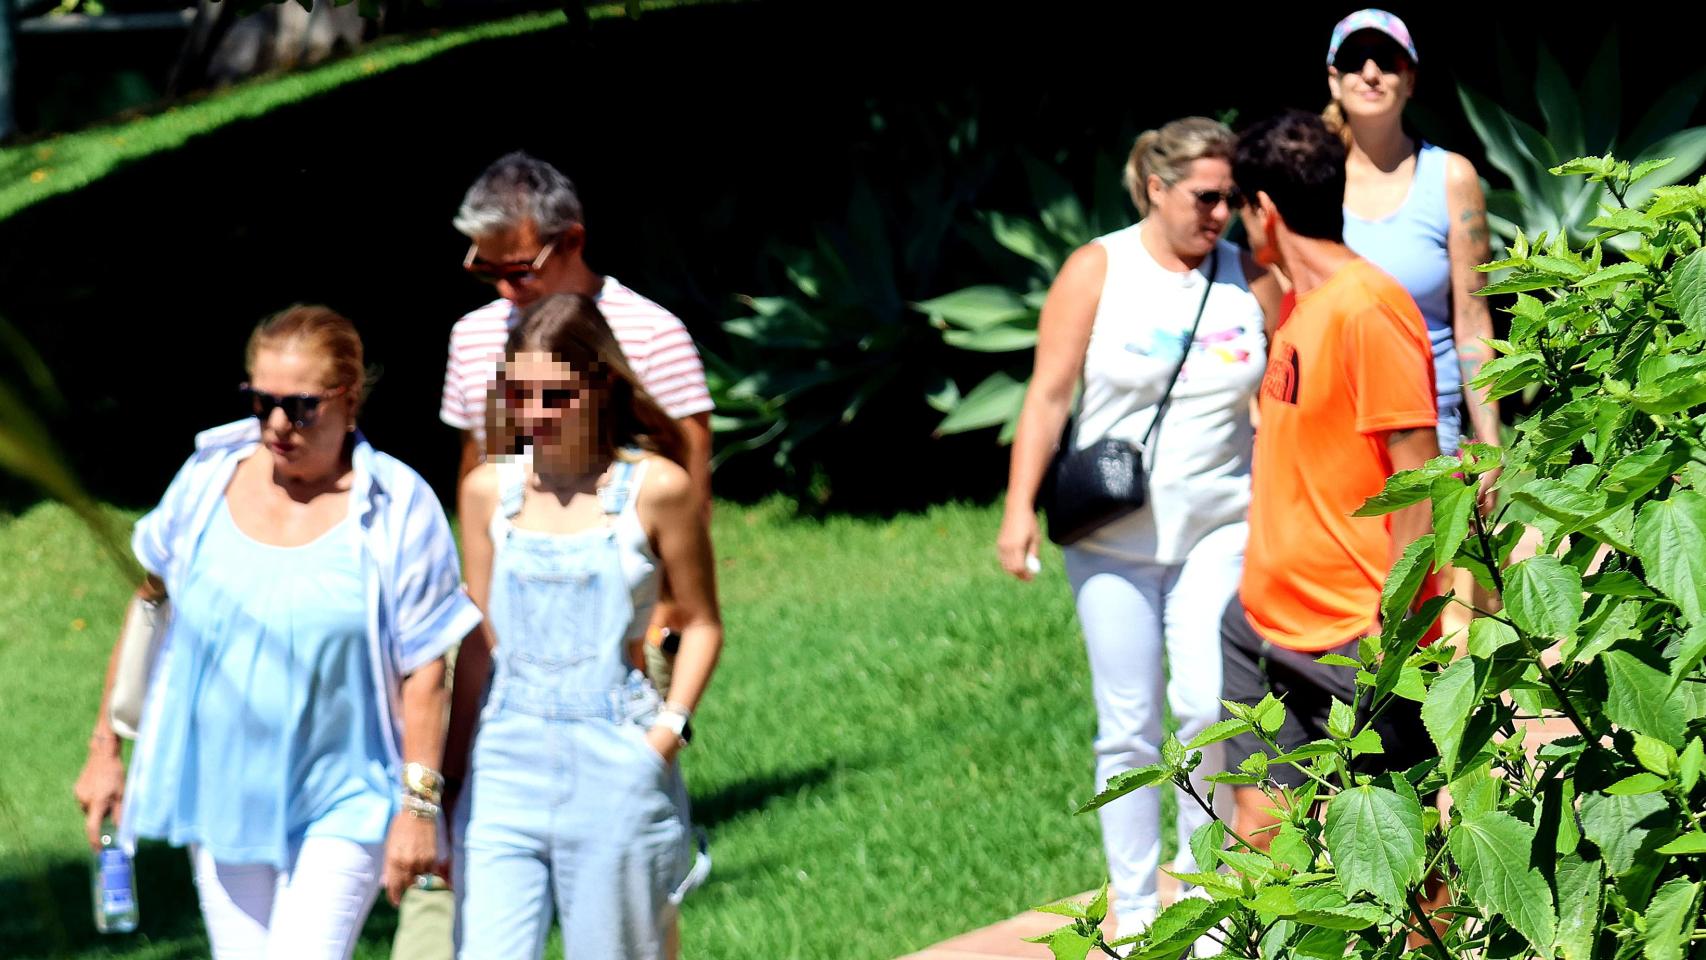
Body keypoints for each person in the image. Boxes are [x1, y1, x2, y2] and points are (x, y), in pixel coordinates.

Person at [73, 306, 481, 959]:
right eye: (261, 402)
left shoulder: (397, 507)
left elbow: (427, 669)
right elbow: (152, 605)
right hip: (223, 787)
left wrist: (419, 808)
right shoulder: (207, 483)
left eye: (301, 406)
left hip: (347, 793)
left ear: (349, 400)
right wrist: (105, 751)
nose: (277, 424)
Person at [397, 152, 717, 956]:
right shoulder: (477, 365)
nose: (505, 290)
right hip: (508, 746)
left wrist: (664, 734)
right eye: (487, 271)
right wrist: (448, 770)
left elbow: (695, 574)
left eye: (521, 268)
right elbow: (478, 626)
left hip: (617, 735)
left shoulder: (652, 359)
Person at [996, 117, 1277, 938]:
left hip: (1220, 526)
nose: (1221, 212)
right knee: (1127, 727)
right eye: (1205, 196)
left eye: (1230, 197)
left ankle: (1204, 899)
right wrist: (1018, 510)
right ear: (1156, 189)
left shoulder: (1245, 274)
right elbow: (1048, 396)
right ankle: (1134, 903)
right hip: (1110, 539)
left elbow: (1279, 387)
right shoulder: (1099, 268)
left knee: (1204, 710)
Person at [444, 294, 722, 959]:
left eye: (554, 396)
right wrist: (451, 777)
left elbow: (704, 623)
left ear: (598, 384)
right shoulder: (488, 490)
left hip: (616, 757)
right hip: (504, 761)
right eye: (520, 395)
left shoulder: (656, 488)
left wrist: (666, 735)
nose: (533, 415)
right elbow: (477, 647)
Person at [1220, 110, 1440, 845]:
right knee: (1258, 835)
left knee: (1403, 866)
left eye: (1241, 206)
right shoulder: (1297, 304)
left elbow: (1420, 478)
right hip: (1262, 623)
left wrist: (1392, 630)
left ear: (1267, 212)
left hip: (1355, 639)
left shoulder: (1369, 311)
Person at [1325, 9, 1500, 506]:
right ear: (1334, 81)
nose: (1372, 73)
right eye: (1356, 60)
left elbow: (1473, 321)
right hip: (1330, 419)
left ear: (1410, 79)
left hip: (1428, 421)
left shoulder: (1450, 178)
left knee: (1428, 578)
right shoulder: (1312, 178)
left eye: (1388, 60)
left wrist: (1488, 440)